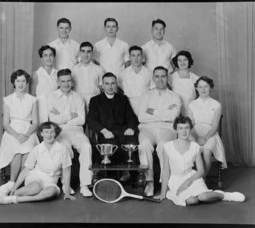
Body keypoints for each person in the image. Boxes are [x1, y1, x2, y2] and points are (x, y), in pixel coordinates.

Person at [155, 116, 245, 206]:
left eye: (187, 128)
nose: (184, 131)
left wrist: (188, 181)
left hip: (193, 178)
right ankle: (207, 194)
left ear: (190, 129)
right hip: (176, 181)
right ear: (176, 130)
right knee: (192, 201)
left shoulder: (195, 146)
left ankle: (224, 195)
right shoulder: (167, 147)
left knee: (203, 197)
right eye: (180, 128)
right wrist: (163, 193)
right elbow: (166, 171)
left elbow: (201, 171)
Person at [0, 122, 76, 204]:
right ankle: (7, 194)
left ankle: (14, 198)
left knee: (51, 192)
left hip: (51, 181)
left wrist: (67, 193)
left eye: (52, 132)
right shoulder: (37, 149)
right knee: (36, 188)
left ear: (56, 133)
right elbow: (26, 170)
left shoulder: (63, 149)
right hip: (35, 177)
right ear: (41, 134)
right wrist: (15, 187)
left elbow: (66, 171)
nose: (49, 135)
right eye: (46, 132)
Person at [47, 69, 93, 197]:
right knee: (64, 147)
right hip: (60, 131)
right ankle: (65, 184)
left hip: (77, 131)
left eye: (68, 81)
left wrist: (62, 117)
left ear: (72, 82)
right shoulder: (52, 97)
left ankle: (85, 185)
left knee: (86, 146)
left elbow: (82, 119)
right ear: (58, 82)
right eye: (63, 81)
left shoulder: (78, 97)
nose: (66, 84)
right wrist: (71, 115)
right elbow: (53, 119)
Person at [87, 72, 139, 181]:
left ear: (116, 84)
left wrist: (130, 128)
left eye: (112, 83)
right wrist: (104, 131)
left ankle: (134, 179)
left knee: (132, 144)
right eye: (107, 84)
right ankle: (112, 180)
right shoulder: (95, 100)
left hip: (123, 132)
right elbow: (91, 120)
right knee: (111, 147)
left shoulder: (123, 99)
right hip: (106, 133)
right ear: (102, 85)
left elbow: (131, 116)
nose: (110, 87)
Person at [138, 66, 181, 196]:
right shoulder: (146, 95)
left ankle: (165, 183)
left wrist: (153, 111)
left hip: (167, 128)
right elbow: (141, 117)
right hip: (147, 128)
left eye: (163, 76)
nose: (160, 79)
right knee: (144, 144)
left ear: (167, 78)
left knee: (163, 146)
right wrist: (166, 112)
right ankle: (149, 182)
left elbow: (173, 117)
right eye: (157, 76)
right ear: (153, 78)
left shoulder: (175, 96)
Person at [0, 69, 39, 194]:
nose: (21, 84)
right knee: (17, 152)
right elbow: (5, 124)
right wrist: (16, 135)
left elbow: (35, 122)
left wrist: (26, 135)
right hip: (12, 131)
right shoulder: (8, 99)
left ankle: (19, 183)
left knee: (28, 153)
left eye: (24, 81)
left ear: (27, 83)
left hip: (28, 130)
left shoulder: (33, 99)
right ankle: (13, 182)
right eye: (18, 81)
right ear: (14, 83)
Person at [187, 76, 227, 177]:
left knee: (207, 152)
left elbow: (214, 126)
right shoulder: (191, 104)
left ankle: (201, 180)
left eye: (206, 86)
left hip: (211, 133)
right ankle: (197, 179)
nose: (203, 89)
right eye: (200, 87)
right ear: (196, 88)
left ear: (211, 88)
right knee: (194, 152)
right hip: (194, 132)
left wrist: (205, 138)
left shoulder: (217, 104)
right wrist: (196, 137)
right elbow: (190, 125)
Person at [119, 45, 154, 116]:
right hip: (128, 105)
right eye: (133, 55)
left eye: (138, 55)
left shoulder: (149, 73)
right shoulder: (122, 74)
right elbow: (120, 88)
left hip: (144, 105)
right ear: (129, 57)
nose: (136, 58)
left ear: (142, 57)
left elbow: (152, 91)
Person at [94, 18, 130, 83]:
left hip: (120, 81)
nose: (111, 29)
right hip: (103, 81)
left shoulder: (124, 45)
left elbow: (127, 64)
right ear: (104, 29)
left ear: (117, 29)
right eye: (108, 26)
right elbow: (95, 64)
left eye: (113, 26)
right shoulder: (97, 45)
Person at [71, 42, 105, 108]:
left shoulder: (99, 69)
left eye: (88, 52)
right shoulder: (73, 69)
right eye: (83, 51)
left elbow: (102, 88)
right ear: (79, 53)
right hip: (78, 100)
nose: (85, 55)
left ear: (92, 53)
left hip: (95, 100)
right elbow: (71, 87)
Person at [30, 45, 58, 123]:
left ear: (54, 57)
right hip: (40, 109)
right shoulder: (36, 74)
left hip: (54, 108)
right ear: (41, 59)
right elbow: (31, 96)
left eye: (51, 55)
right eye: (45, 55)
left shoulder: (58, 74)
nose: (48, 58)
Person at [169, 51, 199, 116]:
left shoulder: (195, 78)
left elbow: (198, 96)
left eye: (185, 60)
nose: (182, 63)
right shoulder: (171, 78)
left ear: (189, 61)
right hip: (175, 111)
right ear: (176, 62)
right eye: (179, 60)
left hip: (192, 111)